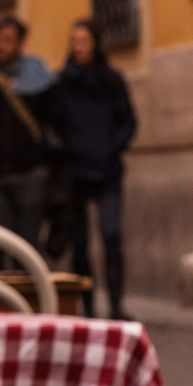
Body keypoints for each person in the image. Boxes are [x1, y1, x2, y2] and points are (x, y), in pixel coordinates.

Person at [0, 16, 67, 267]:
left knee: (26, 247)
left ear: (21, 43)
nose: (0, 46)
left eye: (7, 40)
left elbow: (55, 125)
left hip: (30, 174)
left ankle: (25, 301)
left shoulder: (42, 82)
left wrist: (47, 164)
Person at [59, 18, 137, 320]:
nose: (78, 48)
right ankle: (87, 307)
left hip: (107, 172)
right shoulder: (63, 82)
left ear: (95, 44)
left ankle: (116, 305)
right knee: (79, 246)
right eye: (74, 41)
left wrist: (112, 145)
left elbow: (129, 121)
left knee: (111, 234)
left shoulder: (112, 80)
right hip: (74, 174)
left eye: (83, 41)